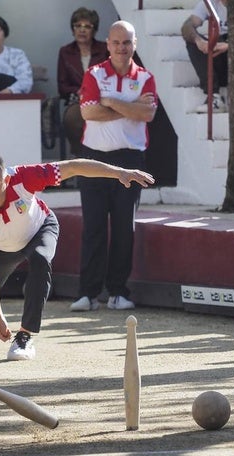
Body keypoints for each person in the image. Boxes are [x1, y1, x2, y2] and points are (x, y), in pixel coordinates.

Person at [0, 152, 154, 360]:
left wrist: (119, 173)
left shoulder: (23, 178)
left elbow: (73, 166)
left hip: (40, 228)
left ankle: (25, 336)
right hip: (2, 246)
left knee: (41, 259)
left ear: (6, 179)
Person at [70, 20, 157, 313]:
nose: (122, 48)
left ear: (135, 45)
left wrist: (110, 100)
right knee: (93, 226)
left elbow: (147, 115)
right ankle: (88, 293)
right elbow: (89, 113)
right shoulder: (94, 73)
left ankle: (118, 292)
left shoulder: (145, 77)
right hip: (94, 158)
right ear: (107, 44)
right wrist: (128, 106)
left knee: (124, 228)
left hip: (130, 159)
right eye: (117, 42)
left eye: (127, 43)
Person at [57, 7, 108, 156]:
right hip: (77, 101)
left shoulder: (105, 50)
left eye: (87, 26)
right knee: (74, 118)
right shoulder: (65, 52)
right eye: (78, 26)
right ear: (73, 29)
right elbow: (62, 85)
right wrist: (78, 91)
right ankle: (82, 157)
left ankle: (103, 158)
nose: (82, 30)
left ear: (94, 30)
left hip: (103, 98)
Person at [181, 0, 228, 113]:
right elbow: (187, 26)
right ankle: (214, 97)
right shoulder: (210, 3)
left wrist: (229, 46)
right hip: (219, 57)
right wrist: (199, 41)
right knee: (192, 41)